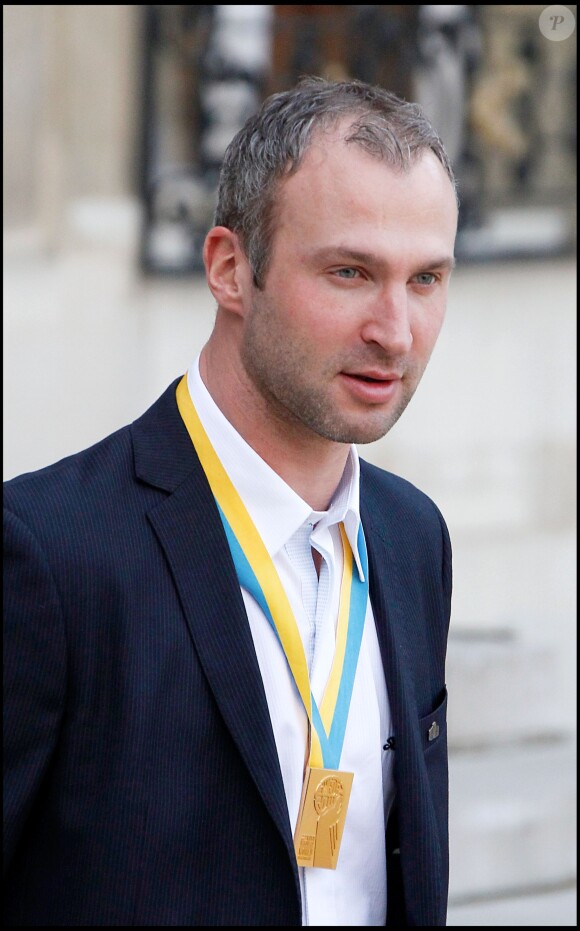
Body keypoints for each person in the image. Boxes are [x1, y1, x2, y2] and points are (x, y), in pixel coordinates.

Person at [4, 76, 458, 926]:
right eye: (350, 272)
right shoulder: (46, 553)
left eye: (426, 279)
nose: (395, 331)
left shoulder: (412, 537)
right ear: (229, 270)